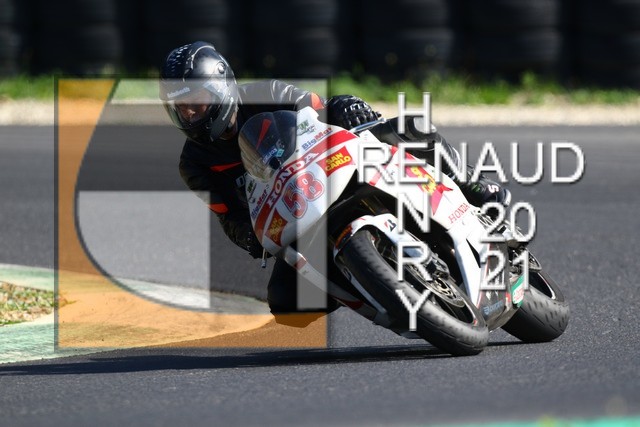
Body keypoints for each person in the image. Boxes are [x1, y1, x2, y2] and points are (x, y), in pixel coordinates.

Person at [159, 41, 510, 327]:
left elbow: (320, 108)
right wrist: (249, 237)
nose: (189, 114)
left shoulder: (268, 92)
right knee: (287, 304)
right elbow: (229, 217)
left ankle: (472, 185)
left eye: (196, 102)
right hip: (298, 215)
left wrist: (350, 108)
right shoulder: (194, 163)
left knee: (409, 128)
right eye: (181, 108)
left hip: (335, 168)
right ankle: (368, 284)